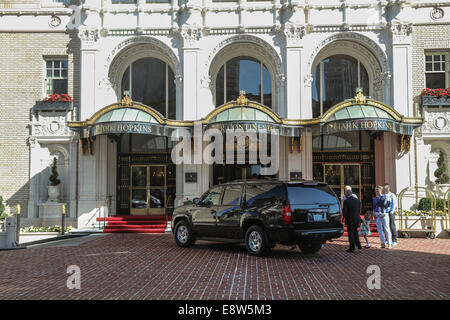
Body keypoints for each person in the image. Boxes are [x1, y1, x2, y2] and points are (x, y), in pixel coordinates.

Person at [343, 186, 362, 253]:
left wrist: (343, 219)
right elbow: (359, 210)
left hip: (350, 219)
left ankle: (352, 248)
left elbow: (344, 212)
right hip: (356, 218)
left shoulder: (346, 201)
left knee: (351, 234)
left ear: (346, 194)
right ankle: (359, 244)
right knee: (355, 232)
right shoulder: (358, 200)